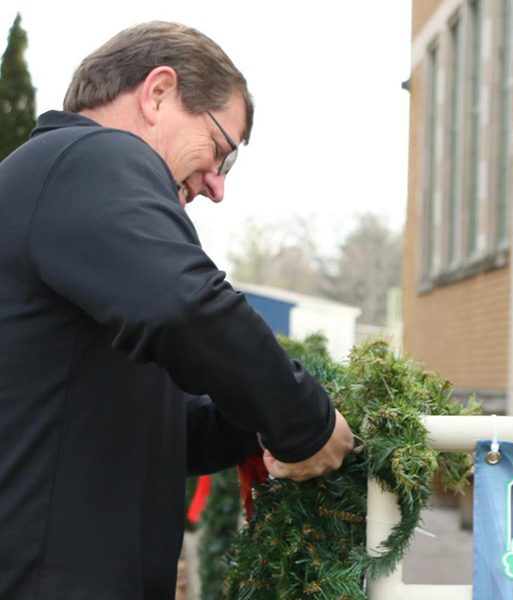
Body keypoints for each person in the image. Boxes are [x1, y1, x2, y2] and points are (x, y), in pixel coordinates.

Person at [0, 21, 354, 599]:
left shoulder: (61, 187)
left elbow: (167, 433)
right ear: (158, 92)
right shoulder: (88, 156)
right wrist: (306, 422)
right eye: (221, 151)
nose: (217, 186)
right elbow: (189, 309)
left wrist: (252, 419)